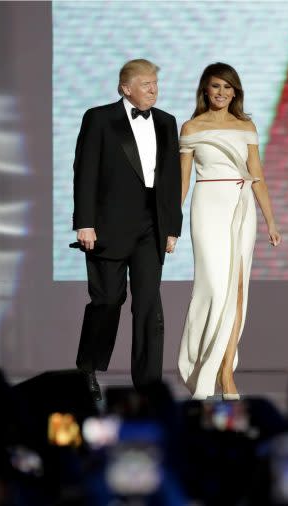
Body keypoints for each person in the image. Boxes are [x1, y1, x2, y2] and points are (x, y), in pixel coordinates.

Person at [72, 59, 182, 400]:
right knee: (107, 301)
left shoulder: (166, 121)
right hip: (108, 226)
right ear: (126, 88)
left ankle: (147, 382)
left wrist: (172, 226)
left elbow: (171, 178)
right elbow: (85, 171)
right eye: (146, 83)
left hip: (152, 224)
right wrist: (84, 222)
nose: (153, 89)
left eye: (155, 83)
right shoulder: (100, 118)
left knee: (149, 303)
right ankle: (88, 369)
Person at [177, 62, 281, 399]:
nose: (221, 93)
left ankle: (225, 373)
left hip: (242, 207)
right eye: (215, 86)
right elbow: (183, 182)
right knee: (214, 290)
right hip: (207, 206)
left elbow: (258, 175)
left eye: (227, 87)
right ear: (205, 90)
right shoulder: (191, 127)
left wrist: (271, 220)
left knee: (237, 291)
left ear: (235, 92)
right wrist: (170, 225)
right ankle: (198, 364)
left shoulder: (246, 126)